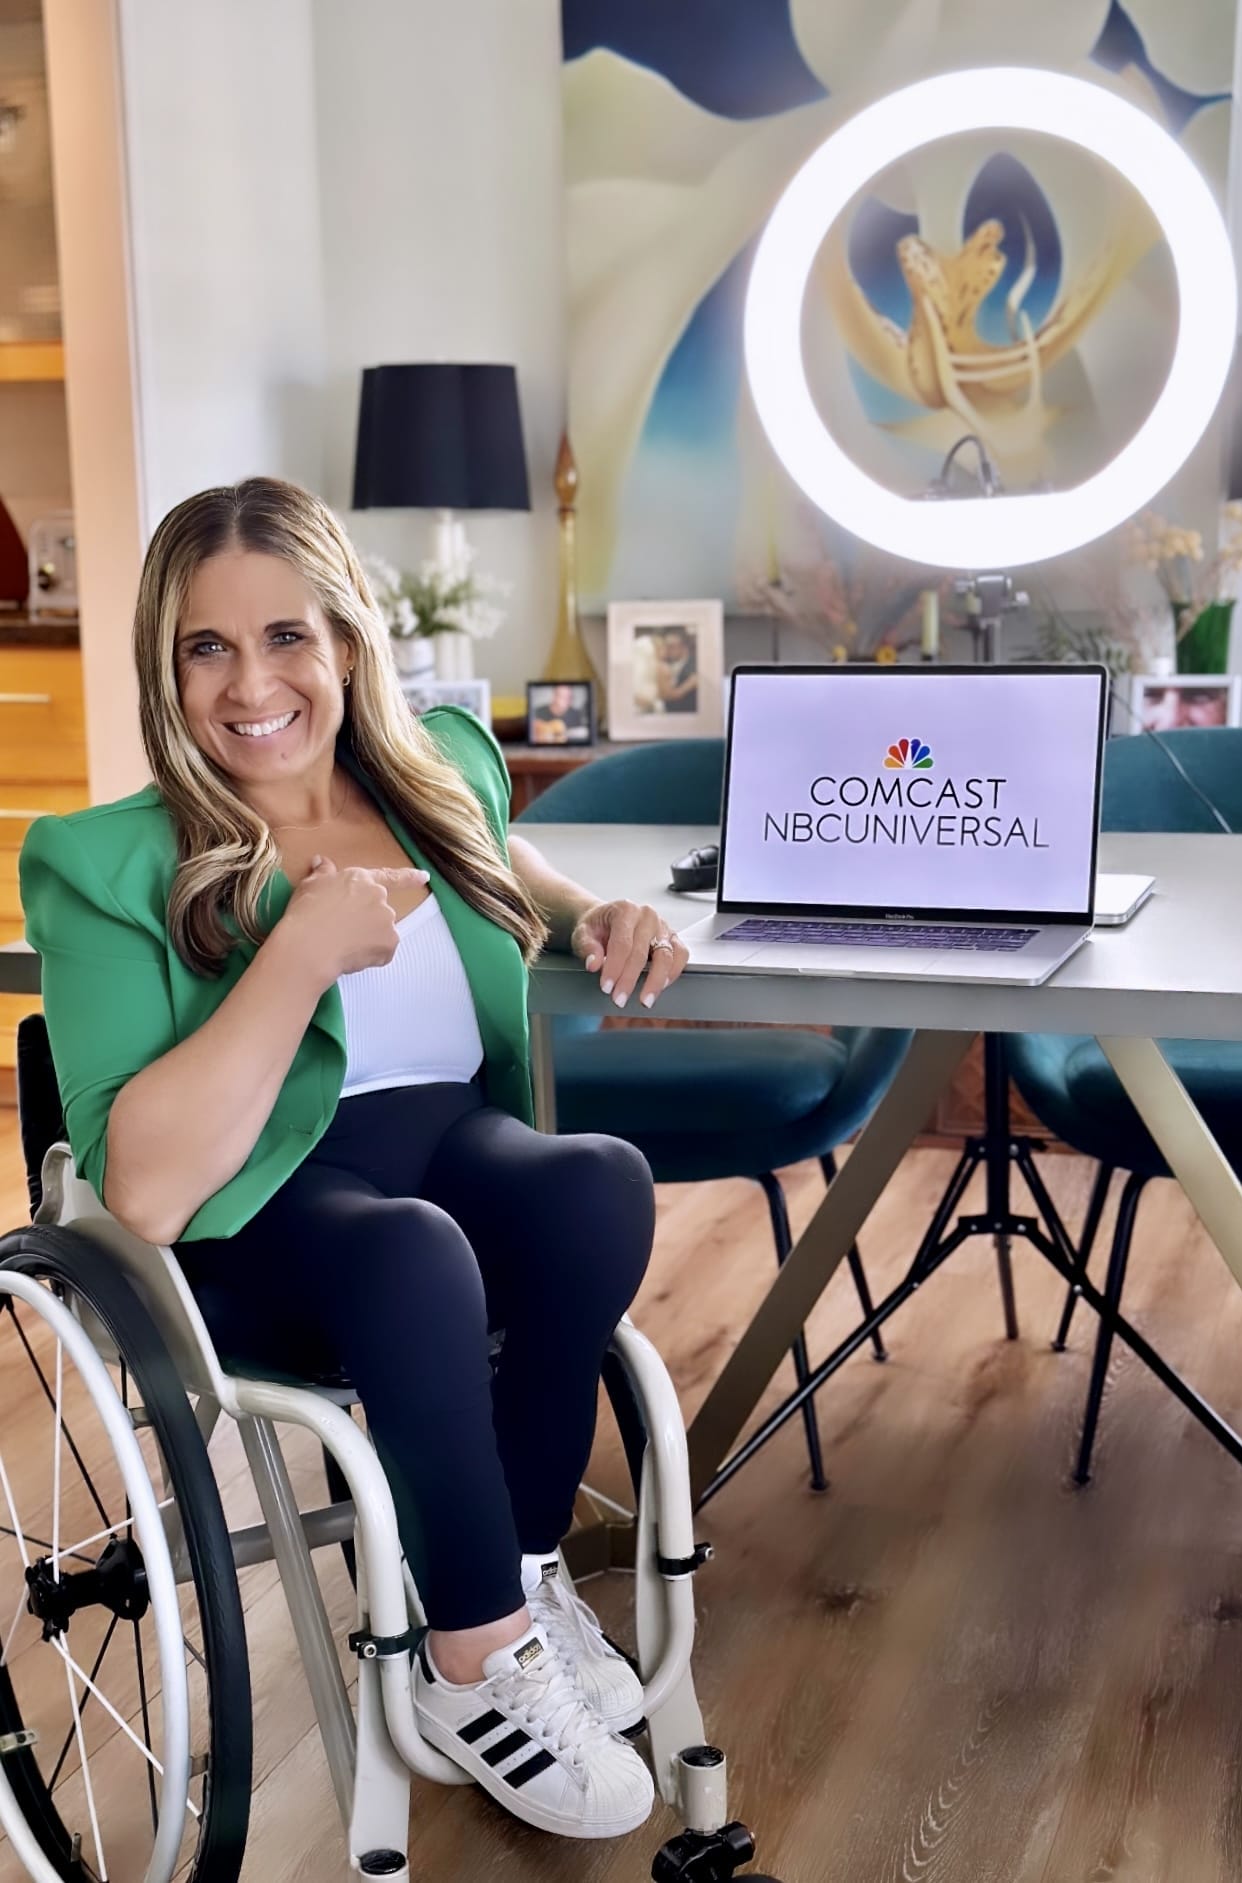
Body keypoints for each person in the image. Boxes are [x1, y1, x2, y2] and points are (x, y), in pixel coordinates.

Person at [19, 476, 692, 1842]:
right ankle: (472, 1658)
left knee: (593, 1183)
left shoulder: (435, 757)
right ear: (164, 665)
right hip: (260, 1212)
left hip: (439, 1144)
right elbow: (145, 1184)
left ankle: (521, 1567)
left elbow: (495, 858)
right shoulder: (103, 863)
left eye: (286, 637)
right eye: (207, 645)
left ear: (345, 643)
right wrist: (294, 952)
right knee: (412, 1251)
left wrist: (587, 913)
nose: (249, 681)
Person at [655, 627, 699, 714]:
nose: (667, 650)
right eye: (665, 646)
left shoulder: (695, 666)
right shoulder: (664, 664)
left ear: (683, 646)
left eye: (671, 646)